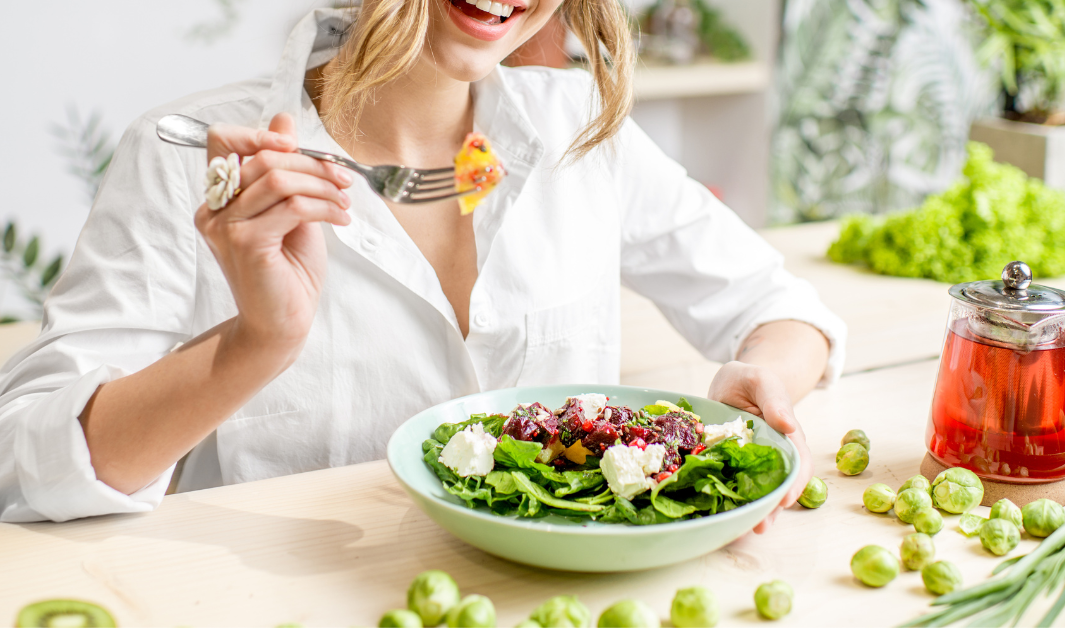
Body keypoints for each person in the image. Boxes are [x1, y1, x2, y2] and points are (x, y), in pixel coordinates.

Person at [0, 0, 845, 528]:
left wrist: (762, 379)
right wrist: (259, 341)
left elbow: (782, 310)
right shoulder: (192, 154)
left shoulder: (582, 131)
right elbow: (33, 468)